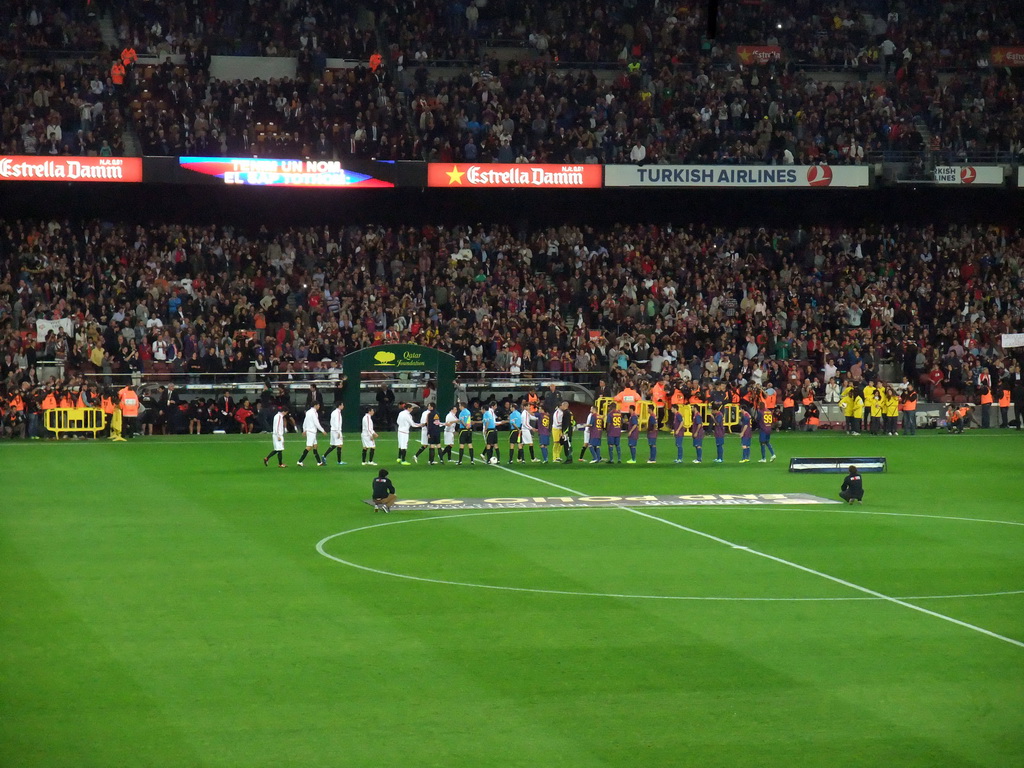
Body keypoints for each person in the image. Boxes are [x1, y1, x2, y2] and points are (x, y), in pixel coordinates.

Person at [297, 402, 326, 466]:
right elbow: (316, 422)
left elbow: (305, 421)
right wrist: (322, 430)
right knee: (309, 447)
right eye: (318, 405)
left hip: (310, 431)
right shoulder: (313, 413)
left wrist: (304, 429)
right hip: (311, 432)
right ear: (315, 405)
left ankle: (319, 462)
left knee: (315, 446)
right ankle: (300, 461)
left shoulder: (308, 412)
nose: (319, 406)